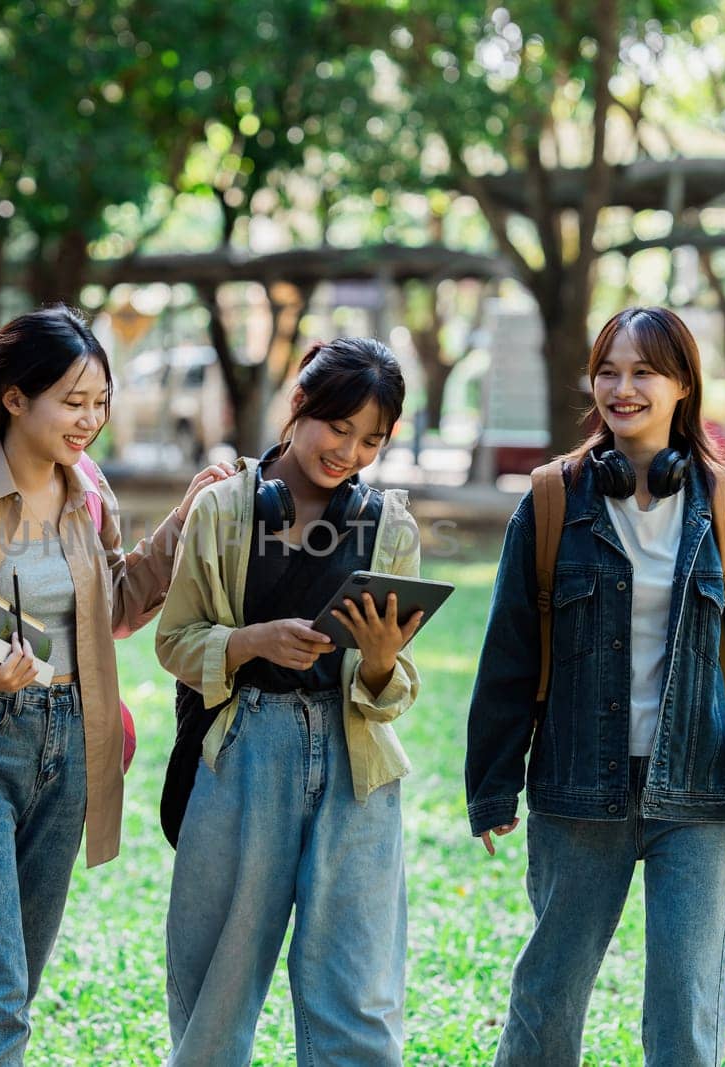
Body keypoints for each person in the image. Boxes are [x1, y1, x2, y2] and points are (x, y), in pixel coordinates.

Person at [0, 305, 231, 1066]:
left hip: (71, 748)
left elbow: (121, 606)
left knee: (16, 987)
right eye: (73, 401)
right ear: (14, 398)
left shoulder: (86, 491)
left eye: (99, 402)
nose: (90, 420)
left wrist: (185, 518)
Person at [465, 306, 725, 1066]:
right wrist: (491, 783)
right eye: (609, 370)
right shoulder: (554, 501)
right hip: (577, 788)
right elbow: (509, 659)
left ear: (683, 384)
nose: (622, 388)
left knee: (686, 1007)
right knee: (548, 996)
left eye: (644, 371)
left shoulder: (724, 505)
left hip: (698, 790)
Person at [154, 337, 424, 1066]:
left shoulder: (389, 525)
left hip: (356, 765)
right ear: (299, 405)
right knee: (215, 989)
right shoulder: (221, 508)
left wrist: (376, 664)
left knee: (357, 994)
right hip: (246, 751)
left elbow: (392, 691)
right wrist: (249, 642)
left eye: (371, 439)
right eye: (339, 427)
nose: (349, 451)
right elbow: (174, 640)